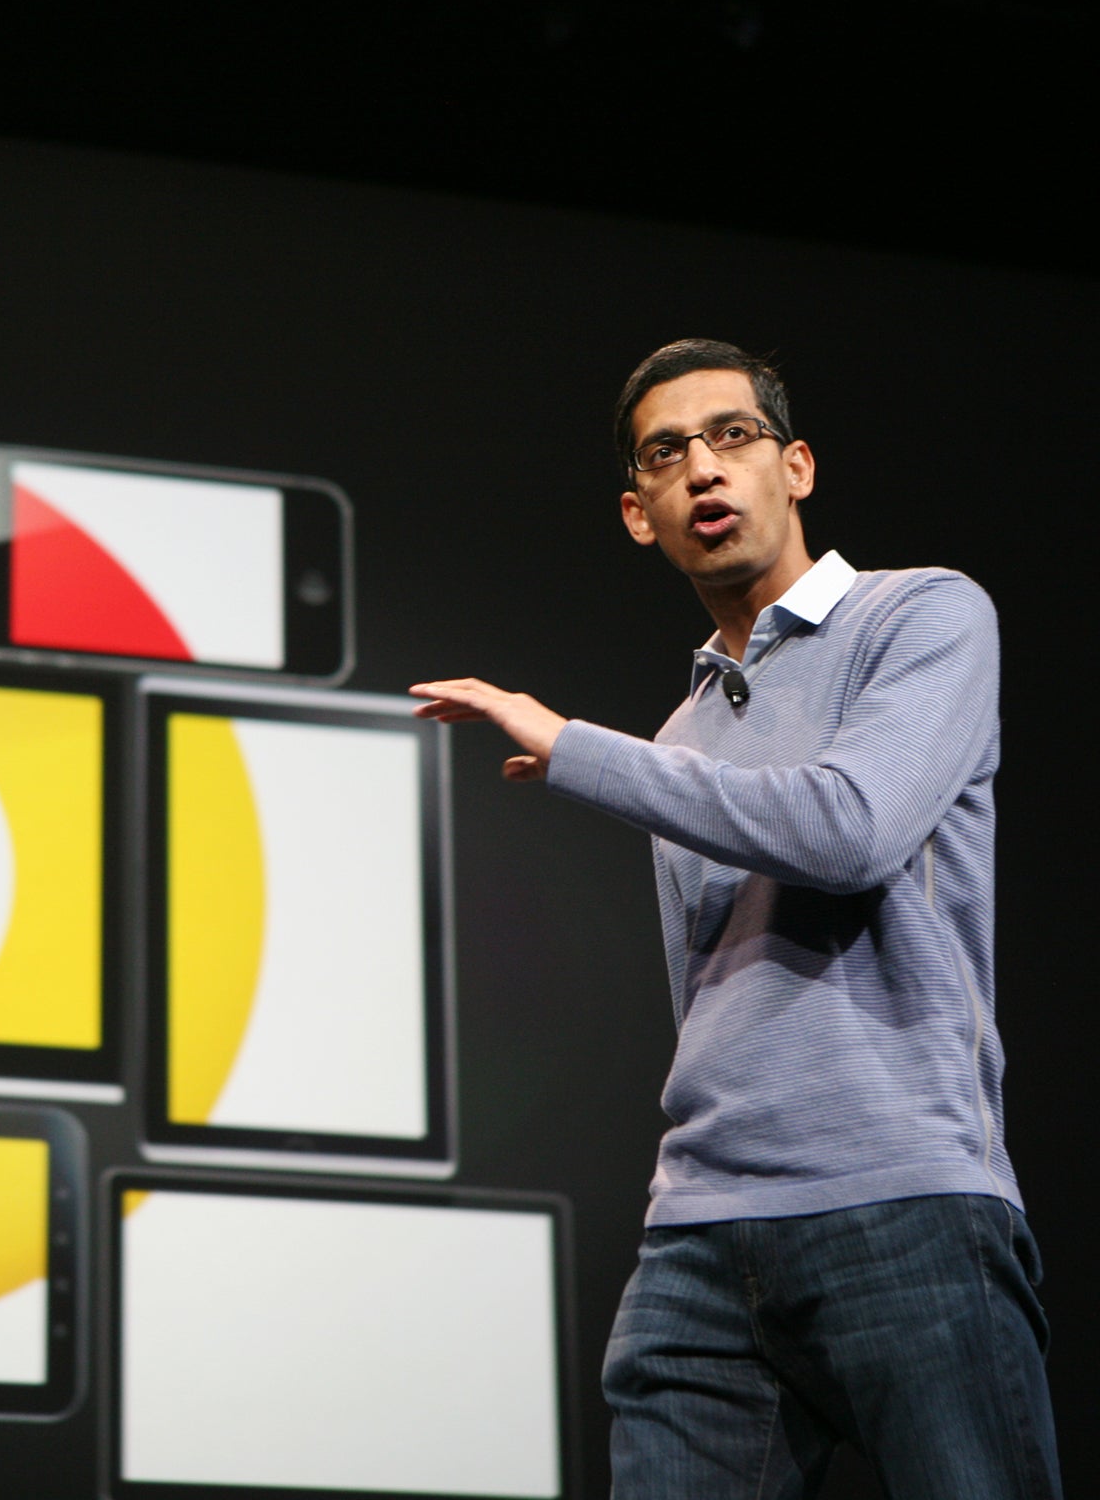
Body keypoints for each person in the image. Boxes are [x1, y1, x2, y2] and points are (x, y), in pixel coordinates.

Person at [410, 339, 1059, 1498]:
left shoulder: (919, 617)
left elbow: (848, 830)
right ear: (636, 514)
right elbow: (707, 988)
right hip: (700, 1234)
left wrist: (568, 746)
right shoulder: (675, 739)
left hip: (904, 1199)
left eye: (731, 437)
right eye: (667, 455)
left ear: (794, 466)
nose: (703, 471)